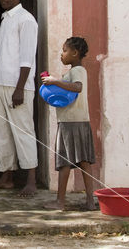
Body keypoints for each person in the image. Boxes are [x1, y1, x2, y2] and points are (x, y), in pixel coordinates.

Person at [0, 0, 39, 197]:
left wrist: (20, 88)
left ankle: (31, 180)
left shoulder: (26, 20)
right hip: (1, 83)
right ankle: (6, 177)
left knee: (23, 131)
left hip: (18, 86)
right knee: (2, 132)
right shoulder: (5, 19)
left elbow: (27, 58)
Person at [42, 37, 96, 211]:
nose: (62, 54)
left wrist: (55, 82)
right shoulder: (75, 71)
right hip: (80, 121)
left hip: (70, 122)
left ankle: (60, 202)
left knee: (65, 162)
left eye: (64, 50)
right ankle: (90, 201)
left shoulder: (77, 70)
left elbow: (77, 87)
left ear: (75, 53)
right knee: (84, 161)